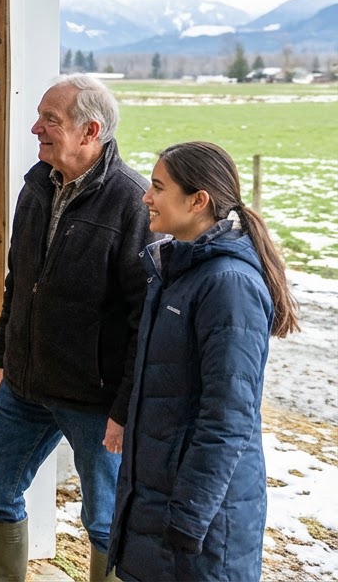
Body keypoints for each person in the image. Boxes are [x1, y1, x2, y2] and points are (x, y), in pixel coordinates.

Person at [0, 74, 154, 582]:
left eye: (50, 120)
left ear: (90, 130)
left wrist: (124, 406)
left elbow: (145, 317)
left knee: (105, 521)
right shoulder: (37, 185)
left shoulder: (131, 202)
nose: (36, 128)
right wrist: (4, 355)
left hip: (95, 397)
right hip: (27, 384)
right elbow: (19, 279)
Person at [108, 141, 298, 582]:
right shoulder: (178, 267)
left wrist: (189, 519)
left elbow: (227, 418)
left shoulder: (227, 284)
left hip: (201, 522)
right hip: (159, 507)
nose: (145, 196)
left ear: (198, 201)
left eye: (158, 187)